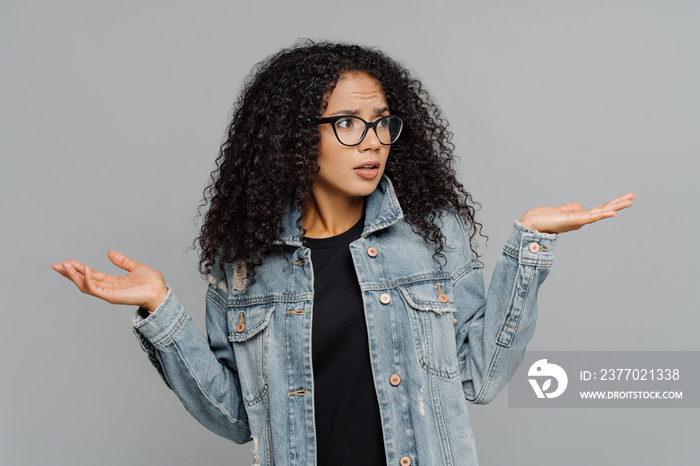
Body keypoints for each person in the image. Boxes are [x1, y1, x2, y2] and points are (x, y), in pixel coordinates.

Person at [52, 42, 634, 465]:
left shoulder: (431, 233)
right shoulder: (245, 261)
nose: (374, 141)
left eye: (381, 123)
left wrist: (529, 244)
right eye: (349, 124)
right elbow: (235, 417)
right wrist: (161, 307)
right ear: (295, 136)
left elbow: (479, 377)